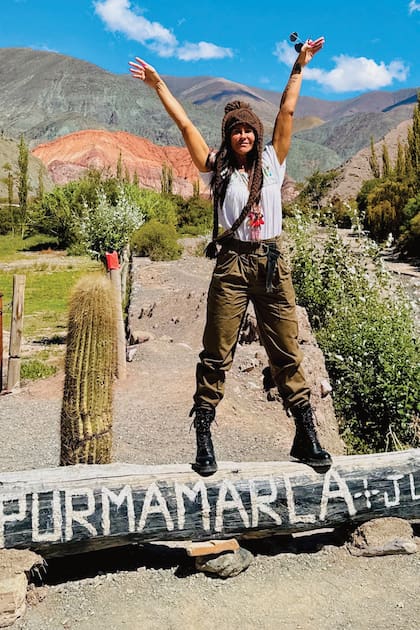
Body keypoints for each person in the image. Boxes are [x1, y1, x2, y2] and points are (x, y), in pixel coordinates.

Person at [129, 38, 332, 476]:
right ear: (229, 134)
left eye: (249, 129)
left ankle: (305, 432)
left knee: (287, 351)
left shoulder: (274, 161)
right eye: (237, 129)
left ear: (257, 133)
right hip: (232, 265)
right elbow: (185, 126)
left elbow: (287, 113)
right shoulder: (216, 165)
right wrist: (159, 84)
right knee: (216, 352)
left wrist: (299, 66)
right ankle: (204, 432)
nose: (244, 134)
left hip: (274, 263)